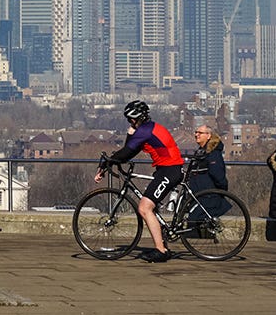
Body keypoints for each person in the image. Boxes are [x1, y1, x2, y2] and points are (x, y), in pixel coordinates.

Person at [94, 100, 184, 263]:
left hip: (170, 170)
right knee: (150, 207)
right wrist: (129, 135)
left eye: (130, 120)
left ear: (136, 119)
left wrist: (107, 162)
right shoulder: (147, 128)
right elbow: (129, 151)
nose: (130, 122)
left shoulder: (145, 131)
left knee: (144, 208)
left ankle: (161, 251)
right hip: (166, 169)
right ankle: (162, 241)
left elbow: (127, 152)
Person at [185, 125, 230, 235]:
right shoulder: (202, 151)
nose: (196, 135)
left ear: (209, 135)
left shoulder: (213, 153)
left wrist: (222, 190)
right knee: (194, 222)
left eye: (200, 133)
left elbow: (218, 175)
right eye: (196, 132)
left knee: (194, 222)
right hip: (199, 194)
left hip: (208, 195)